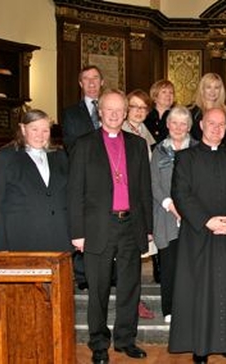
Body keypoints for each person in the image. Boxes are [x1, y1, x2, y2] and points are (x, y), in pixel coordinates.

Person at [68, 89, 152, 364]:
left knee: (130, 287)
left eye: (120, 110)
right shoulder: (84, 144)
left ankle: (126, 340)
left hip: (130, 224)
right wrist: (77, 232)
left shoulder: (138, 144)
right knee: (99, 289)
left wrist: (147, 227)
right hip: (96, 227)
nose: (115, 114)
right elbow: (74, 192)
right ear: (100, 112)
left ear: (126, 112)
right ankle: (99, 344)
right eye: (109, 109)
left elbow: (144, 191)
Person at [168, 107, 226, 364]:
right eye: (212, 123)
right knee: (200, 289)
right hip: (198, 234)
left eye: (222, 124)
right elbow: (181, 194)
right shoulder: (186, 158)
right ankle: (200, 345)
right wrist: (207, 221)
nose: (217, 128)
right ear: (201, 125)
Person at [0, 109, 70, 252]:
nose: (40, 135)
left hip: (59, 238)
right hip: (21, 240)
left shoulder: (60, 156)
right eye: (34, 129)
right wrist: (0, 247)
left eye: (45, 130)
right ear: (23, 129)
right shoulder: (5, 157)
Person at [151, 105, 198, 324]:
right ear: (168, 125)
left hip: (193, 217)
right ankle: (169, 309)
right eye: (174, 123)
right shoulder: (158, 150)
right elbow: (154, 184)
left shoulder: (198, 149)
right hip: (166, 215)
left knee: (192, 264)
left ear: (189, 126)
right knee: (169, 265)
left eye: (183, 123)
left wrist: (188, 209)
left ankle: (191, 307)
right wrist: (172, 206)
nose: (179, 127)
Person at [122, 89, 158, 320]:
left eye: (143, 108)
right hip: (126, 203)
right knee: (126, 260)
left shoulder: (145, 133)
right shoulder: (121, 132)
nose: (138, 112)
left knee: (134, 258)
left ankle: (134, 300)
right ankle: (131, 303)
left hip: (143, 201)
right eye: (133, 107)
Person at [62, 65, 104, 151]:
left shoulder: (112, 109)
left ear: (102, 82)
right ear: (81, 84)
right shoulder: (70, 114)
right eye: (86, 78)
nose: (91, 83)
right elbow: (71, 145)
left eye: (95, 78)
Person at [188, 72, 226, 142]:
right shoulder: (191, 112)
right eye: (208, 87)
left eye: (216, 88)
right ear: (202, 89)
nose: (212, 91)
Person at [123, 89, 156, 156]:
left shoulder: (147, 131)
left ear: (147, 111)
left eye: (143, 107)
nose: (139, 111)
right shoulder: (120, 131)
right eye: (134, 106)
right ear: (127, 108)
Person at [144, 79, 175, 144]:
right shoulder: (145, 116)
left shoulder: (177, 116)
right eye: (164, 92)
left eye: (171, 92)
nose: (168, 95)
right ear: (155, 96)